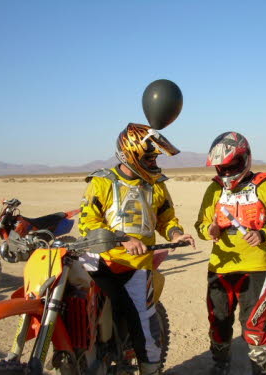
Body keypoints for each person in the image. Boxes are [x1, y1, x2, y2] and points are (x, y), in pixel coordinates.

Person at [78, 123, 195, 375]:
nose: (153, 163)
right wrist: (121, 239)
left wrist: (175, 233)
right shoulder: (102, 182)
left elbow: (166, 218)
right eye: (148, 158)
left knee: (145, 327)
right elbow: (88, 222)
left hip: (138, 266)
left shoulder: (156, 184)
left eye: (154, 158)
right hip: (101, 261)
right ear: (130, 155)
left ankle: (149, 368)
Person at [194, 132, 266, 375]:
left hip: (255, 267)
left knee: (254, 326)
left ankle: (260, 371)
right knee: (219, 322)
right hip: (220, 266)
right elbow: (200, 224)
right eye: (221, 168)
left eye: (231, 166)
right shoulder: (213, 190)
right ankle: (220, 366)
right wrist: (210, 229)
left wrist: (263, 235)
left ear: (245, 159)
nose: (226, 172)